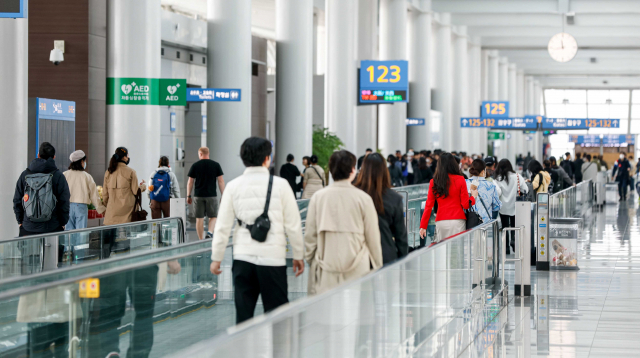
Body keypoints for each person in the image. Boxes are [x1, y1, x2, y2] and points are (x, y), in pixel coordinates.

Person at [209, 137, 304, 323]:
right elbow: (293, 225)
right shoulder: (281, 185)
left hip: (243, 258)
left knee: (243, 319)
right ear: (267, 158)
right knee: (278, 319)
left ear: (243, 158)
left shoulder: (233, 186)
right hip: (272, 259)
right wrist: (298, 255)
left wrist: (216, 258)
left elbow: (222, 227)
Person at [305, 150, 383, 295]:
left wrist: (311, 260)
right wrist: (377, 265)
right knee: (355, 314)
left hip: (326, 267)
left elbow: (310, 236)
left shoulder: (318, 197)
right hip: (359, 268)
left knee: (327, 313)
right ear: (353, 170)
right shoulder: (363, 199)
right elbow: (373, 238)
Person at [355, 153, 407, 264]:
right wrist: (403, 260)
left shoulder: (354, 195)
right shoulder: (394, 198)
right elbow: (400, 236)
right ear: (384, 171)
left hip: (357, 256)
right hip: (386, 255)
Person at [13, 142, 70, 237]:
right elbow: (64, 202)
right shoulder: (58, 176)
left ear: (38, 155)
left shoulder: (25, 175)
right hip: (52, 227)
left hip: (28, 228)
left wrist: (20, 222)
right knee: (53, 252)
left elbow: (17, 200)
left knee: (29, 252)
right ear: (54, 157)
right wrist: (62, 222)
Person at [419, 153, 478, 243]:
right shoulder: (460, 179)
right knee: (457, 252)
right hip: (458, 220)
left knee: (442, 252)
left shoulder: (434, 182)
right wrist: (473, 197)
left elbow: (428, 205)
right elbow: (466, 205)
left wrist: (423, 226)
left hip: (441, 220)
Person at [187, 147, 225, 239]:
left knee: (199, 219)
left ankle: (201, 240)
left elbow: (190, 182)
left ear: (200, 154)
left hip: (198, 196)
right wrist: (223, 195)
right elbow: (221, 181)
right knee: (213, 216)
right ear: (208, 153)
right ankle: (210, 232)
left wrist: (188, 195)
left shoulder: (195, 165)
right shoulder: (216, 165)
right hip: (211, 195)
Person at [103, 147, 147, 225]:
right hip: (127, 214)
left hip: (111, 213)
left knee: (112, 236)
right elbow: (135, 191)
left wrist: (106, 207)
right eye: (127, 156)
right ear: (124, 157)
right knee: (126, 236)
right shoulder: (131, 172)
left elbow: (105, 194)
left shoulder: (108, 172)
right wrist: (143, 186)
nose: (128, 157)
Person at [64, 150, 106, 230]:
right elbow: (94, 195)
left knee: (68, 235)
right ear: (81, 162)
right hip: (81, 207)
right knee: (81, 234)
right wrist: (100, 209)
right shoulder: (87, 176)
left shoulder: (65, 175)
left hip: (67, 207)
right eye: (84, 161)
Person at [494, 159, 528, 254]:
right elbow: (525, 189)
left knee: (504, 227)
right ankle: (513, 240)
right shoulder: (517, 176)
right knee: (514, 225)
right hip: (515, 206)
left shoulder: (498, 179)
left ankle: (506, 248)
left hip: (503, 207)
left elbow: (497, 192)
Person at [466, 159, 502, 224]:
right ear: (483, 171)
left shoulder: (465, 183)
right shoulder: (491, 186)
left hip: (469, 222)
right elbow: (497, 205)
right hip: (485, 222)